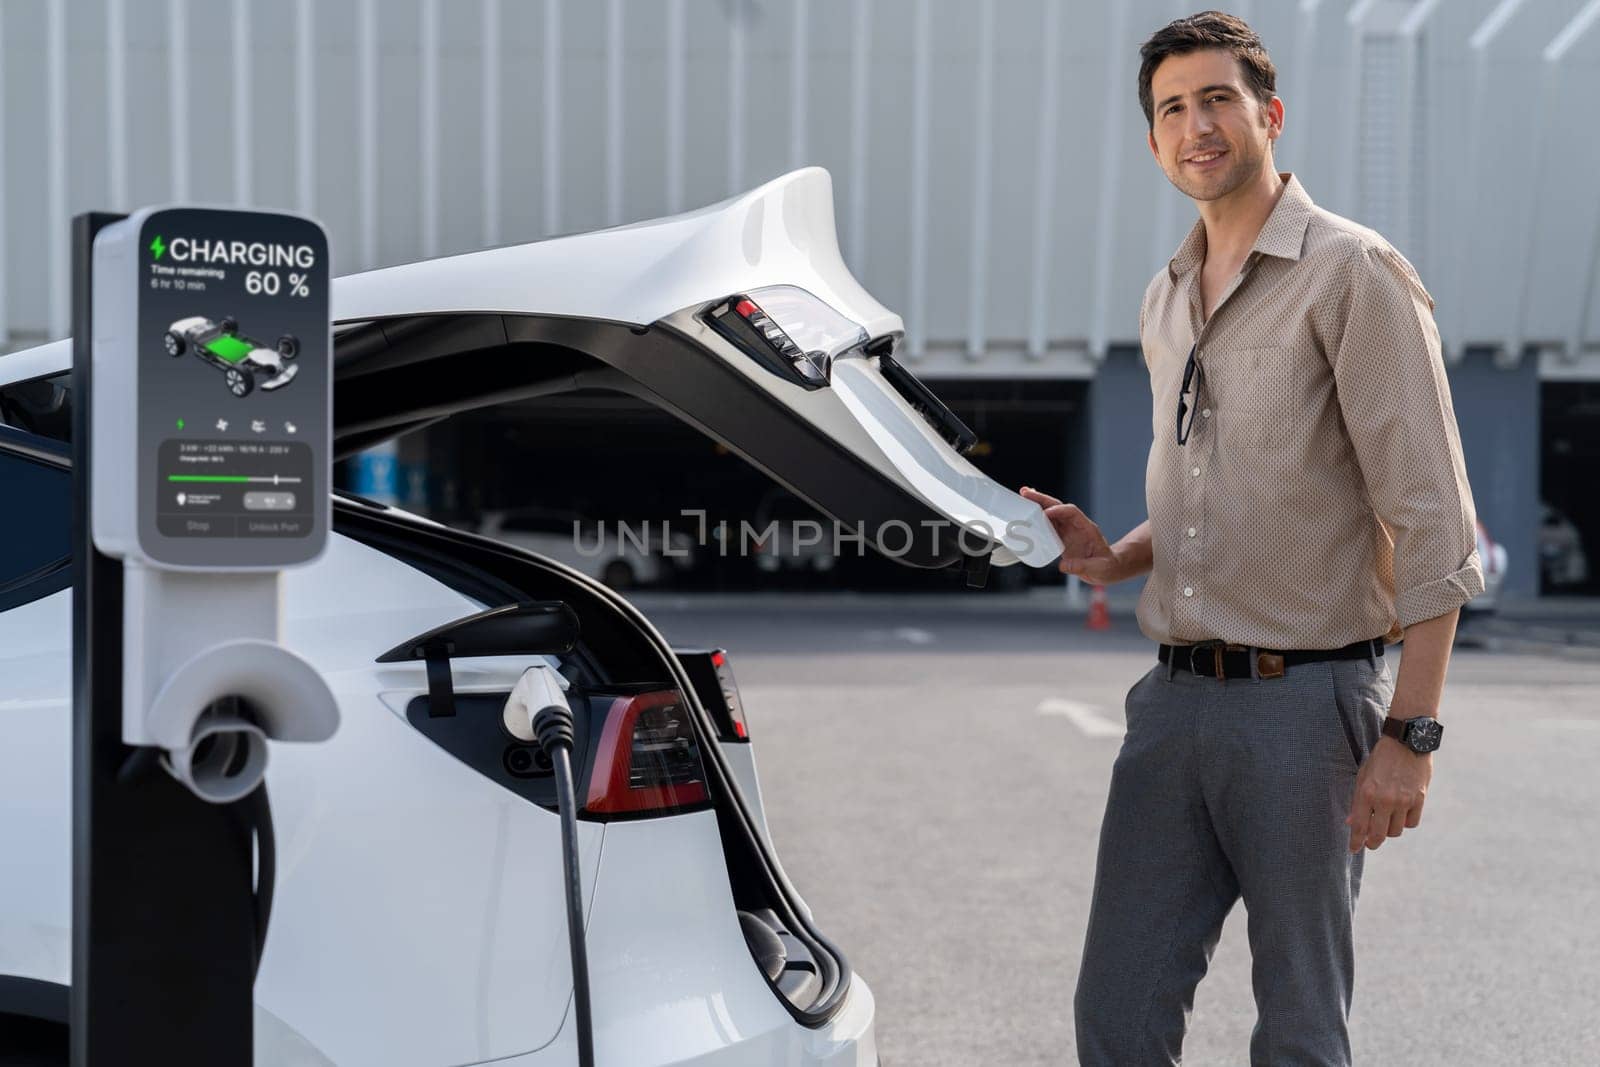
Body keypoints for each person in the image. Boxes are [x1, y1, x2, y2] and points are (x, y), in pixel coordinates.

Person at [1020, 11, 1482, 1066]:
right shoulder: (1165, 296)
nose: (1198, 124)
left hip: (1303, 711)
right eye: (1173, 108)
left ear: (1268, 114)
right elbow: (1220, 491)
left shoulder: (1351, 271)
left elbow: (1432, 520)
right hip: (1171, 706)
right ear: (1153, 143)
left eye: (1218, 98)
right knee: (1117, 1014)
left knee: (1298, 1027)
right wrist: (1111, 553)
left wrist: (1409, 738)